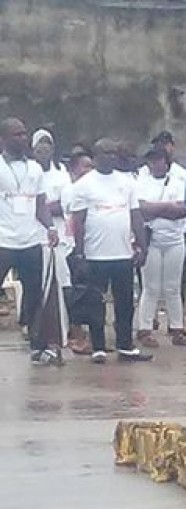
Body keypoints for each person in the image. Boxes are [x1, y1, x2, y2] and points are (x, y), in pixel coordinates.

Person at [70, 138, 151, 363]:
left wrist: (142, 246)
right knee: (95, 302)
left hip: (123, 253)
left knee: (125, 301)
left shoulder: (127, 182)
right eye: (106, 153)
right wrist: (80, 252)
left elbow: (135, 215)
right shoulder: (84, 185)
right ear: (95, 157)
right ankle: (98, 346)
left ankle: (125, 345)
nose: (111, 157)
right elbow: (79, 221)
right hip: (96, 254)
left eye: (115, 153)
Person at [0, 117, 60, 363]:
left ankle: (38, 346)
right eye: (17, 134)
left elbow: (40, 203)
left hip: (30, 241)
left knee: (35, 294)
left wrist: (50, 227)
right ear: (3, 139)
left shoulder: (35, 169)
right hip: (3, 240)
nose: (23, 138)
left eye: (24, 134)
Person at [136, 147, 186, 348]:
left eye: (159, 160)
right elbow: (141, 208)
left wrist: (156, 209)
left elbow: (183, 209)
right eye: (152, 160)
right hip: (151, 239)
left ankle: (177, 327)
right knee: (150, 287)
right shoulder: (141, 181)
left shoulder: (178, 181)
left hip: (175, 239)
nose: (155, 164)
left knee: (173, 287)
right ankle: (145, 328)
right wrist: (167, 207)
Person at [33, 129, 72, 356]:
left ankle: (61, 334)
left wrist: (39, 207)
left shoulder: (62, 175)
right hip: (32, 236)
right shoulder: (29, 173)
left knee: (59, 284)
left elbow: (65, 204)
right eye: (39, 147)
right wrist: (42, 207)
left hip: (57, 236)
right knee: (38, 287)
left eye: (48, 146)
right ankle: (38, 333)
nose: (44, 150)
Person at [62, 151, 94, 355]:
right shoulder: (71, 191)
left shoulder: (91, 189)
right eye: (85, 166)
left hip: (91, 246)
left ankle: (90, 335)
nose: (89, 171)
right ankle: (76, 334)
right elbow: (73, 220)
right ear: (74, 169)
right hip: (72, 245)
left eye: (91, 166)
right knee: (77, 291)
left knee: (90, 292)